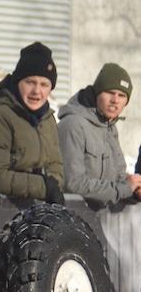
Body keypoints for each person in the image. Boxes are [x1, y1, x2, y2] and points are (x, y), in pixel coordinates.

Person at [0, 41, 64, 202]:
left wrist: (51, 185)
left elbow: (56, 170)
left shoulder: (47, 119)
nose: (37, 91)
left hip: (35, 214)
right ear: (17, 81)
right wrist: (44, 187)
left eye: (44, 84)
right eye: (30, 82)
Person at [58, 63, 141, 209]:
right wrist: (123, 189)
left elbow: (117, 178)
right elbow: (72, 183)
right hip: (73, 220)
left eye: (121, 95)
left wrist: (134, 190)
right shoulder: (73, 124)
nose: (115, 100)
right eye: (110, 92)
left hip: (101, 221)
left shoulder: (109, 127)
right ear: (97, 93)